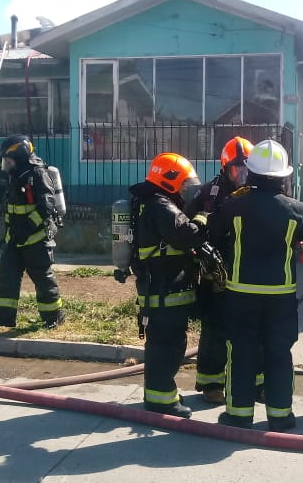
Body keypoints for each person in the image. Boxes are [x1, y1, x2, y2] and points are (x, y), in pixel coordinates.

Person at [208, 139, 303, 432]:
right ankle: (281, 417)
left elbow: (213, 230)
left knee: (241, 352)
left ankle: (239, 416)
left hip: (242, 293)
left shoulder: (234, 206)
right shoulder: (297, 209)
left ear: (250, 172)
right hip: (281, 295)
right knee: (279, 352)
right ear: (284, 176)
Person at [129, 152, 208, 417]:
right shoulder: (161, 206)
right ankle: (162, 400)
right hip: (166, 290)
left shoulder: (146, 202)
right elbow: (186, 236)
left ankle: (159, 393)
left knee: (160, 344)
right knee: (169, 345)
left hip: (156, 288)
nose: (186, 189)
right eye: (183, 183)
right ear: (169, 179)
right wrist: (201, 219)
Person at [184, 136, 253, 405]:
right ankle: (212, 383)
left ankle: (251, 384)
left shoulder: (257, 192)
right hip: (215, 275)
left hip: (247, 271)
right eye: (238, 169)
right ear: (226, 168)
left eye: (247, 169)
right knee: (214, 329)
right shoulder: (208, 193)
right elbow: (187, 227)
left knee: (247, 331)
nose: (243, 175)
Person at [0, 135, 64, 329]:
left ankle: (53, 318)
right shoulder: (15, 175)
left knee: (42, 278)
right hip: (14, 240)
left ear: (20, 156)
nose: (6, 164)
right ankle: (4, 318)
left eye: (8, 159)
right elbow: (12, 212)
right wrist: (8, 237)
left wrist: (27, 229)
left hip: (35, 239)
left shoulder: (37, 173)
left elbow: (46, 206)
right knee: (7, 276)